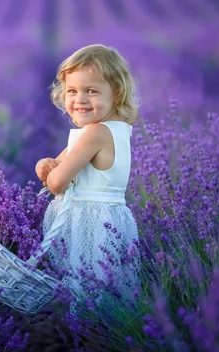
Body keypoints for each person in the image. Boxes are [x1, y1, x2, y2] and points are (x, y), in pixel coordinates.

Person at [33, 44, 141, 306]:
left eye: (91, 91)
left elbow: (57, 183)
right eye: (72, 91)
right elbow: (55, 166)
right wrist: (44, 165)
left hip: (93, 224)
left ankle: (86, 337)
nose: (79, 100)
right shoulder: (115, 129)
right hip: (111, 220)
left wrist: (53, 174)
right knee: (108, 291)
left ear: (116, 93)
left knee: (87, 290)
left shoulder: (96, 133)